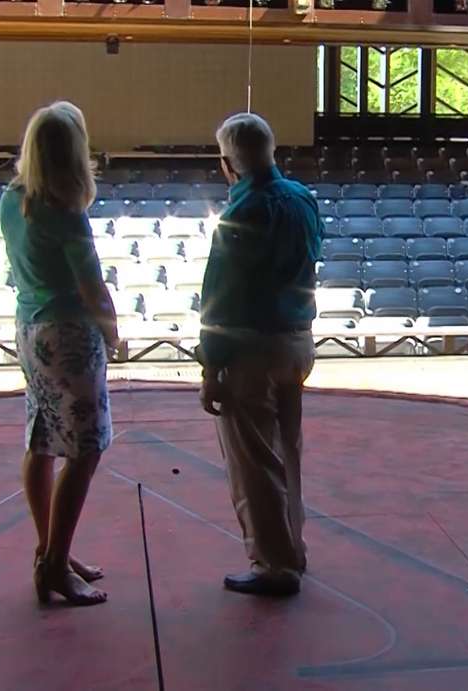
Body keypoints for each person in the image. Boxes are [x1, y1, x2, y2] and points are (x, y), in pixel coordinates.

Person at [198, 112, 323, 598]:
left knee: (255, 465)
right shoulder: (304, 199)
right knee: (287, 451)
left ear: (228, 163)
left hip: (253, 350)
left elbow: (221, 301)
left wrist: (212, 369)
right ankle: (294, 547)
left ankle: (275, 565)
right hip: (297, 340)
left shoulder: (240, 213)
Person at [0, 101, 118, 607]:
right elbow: (92, 288)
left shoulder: (12, 199)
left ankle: (50, 550)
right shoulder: (67, 214)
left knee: (42, 437)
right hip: (68, 334)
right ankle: (54, 566)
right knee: (84, 449)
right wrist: (112, 332)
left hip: (30, 328)